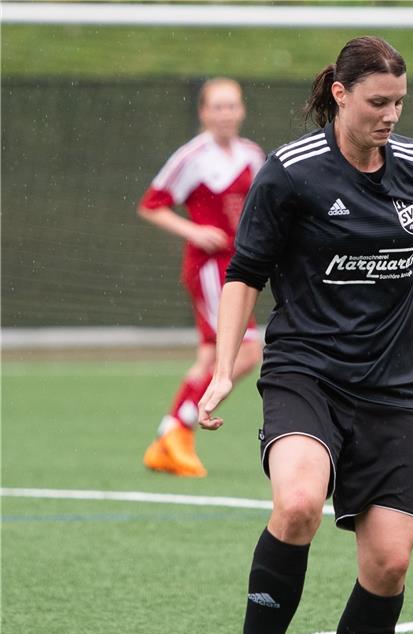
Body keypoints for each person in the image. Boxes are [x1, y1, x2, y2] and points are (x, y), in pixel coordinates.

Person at [197, 37, 413, 634]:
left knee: (388, 563)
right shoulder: (289, 174)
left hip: (392, 390)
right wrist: (225, 368)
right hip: (306, 374)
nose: (391, 115)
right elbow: (243, 273)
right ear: (342, 95)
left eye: (400, 103)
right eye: (378, 102)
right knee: (296, 504)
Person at [138, 78, 264, 477]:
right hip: (211, 269)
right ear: (203, 112)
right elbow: (151, 205)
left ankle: (169, 440)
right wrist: (193, 231)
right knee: (247, 351)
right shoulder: (192, 156)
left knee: (210, 357)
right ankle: (177, 428)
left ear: (242, 110)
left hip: (240, 267)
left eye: (232, 106)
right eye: (218, 107)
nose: (225, 114)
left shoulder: (252, 154)